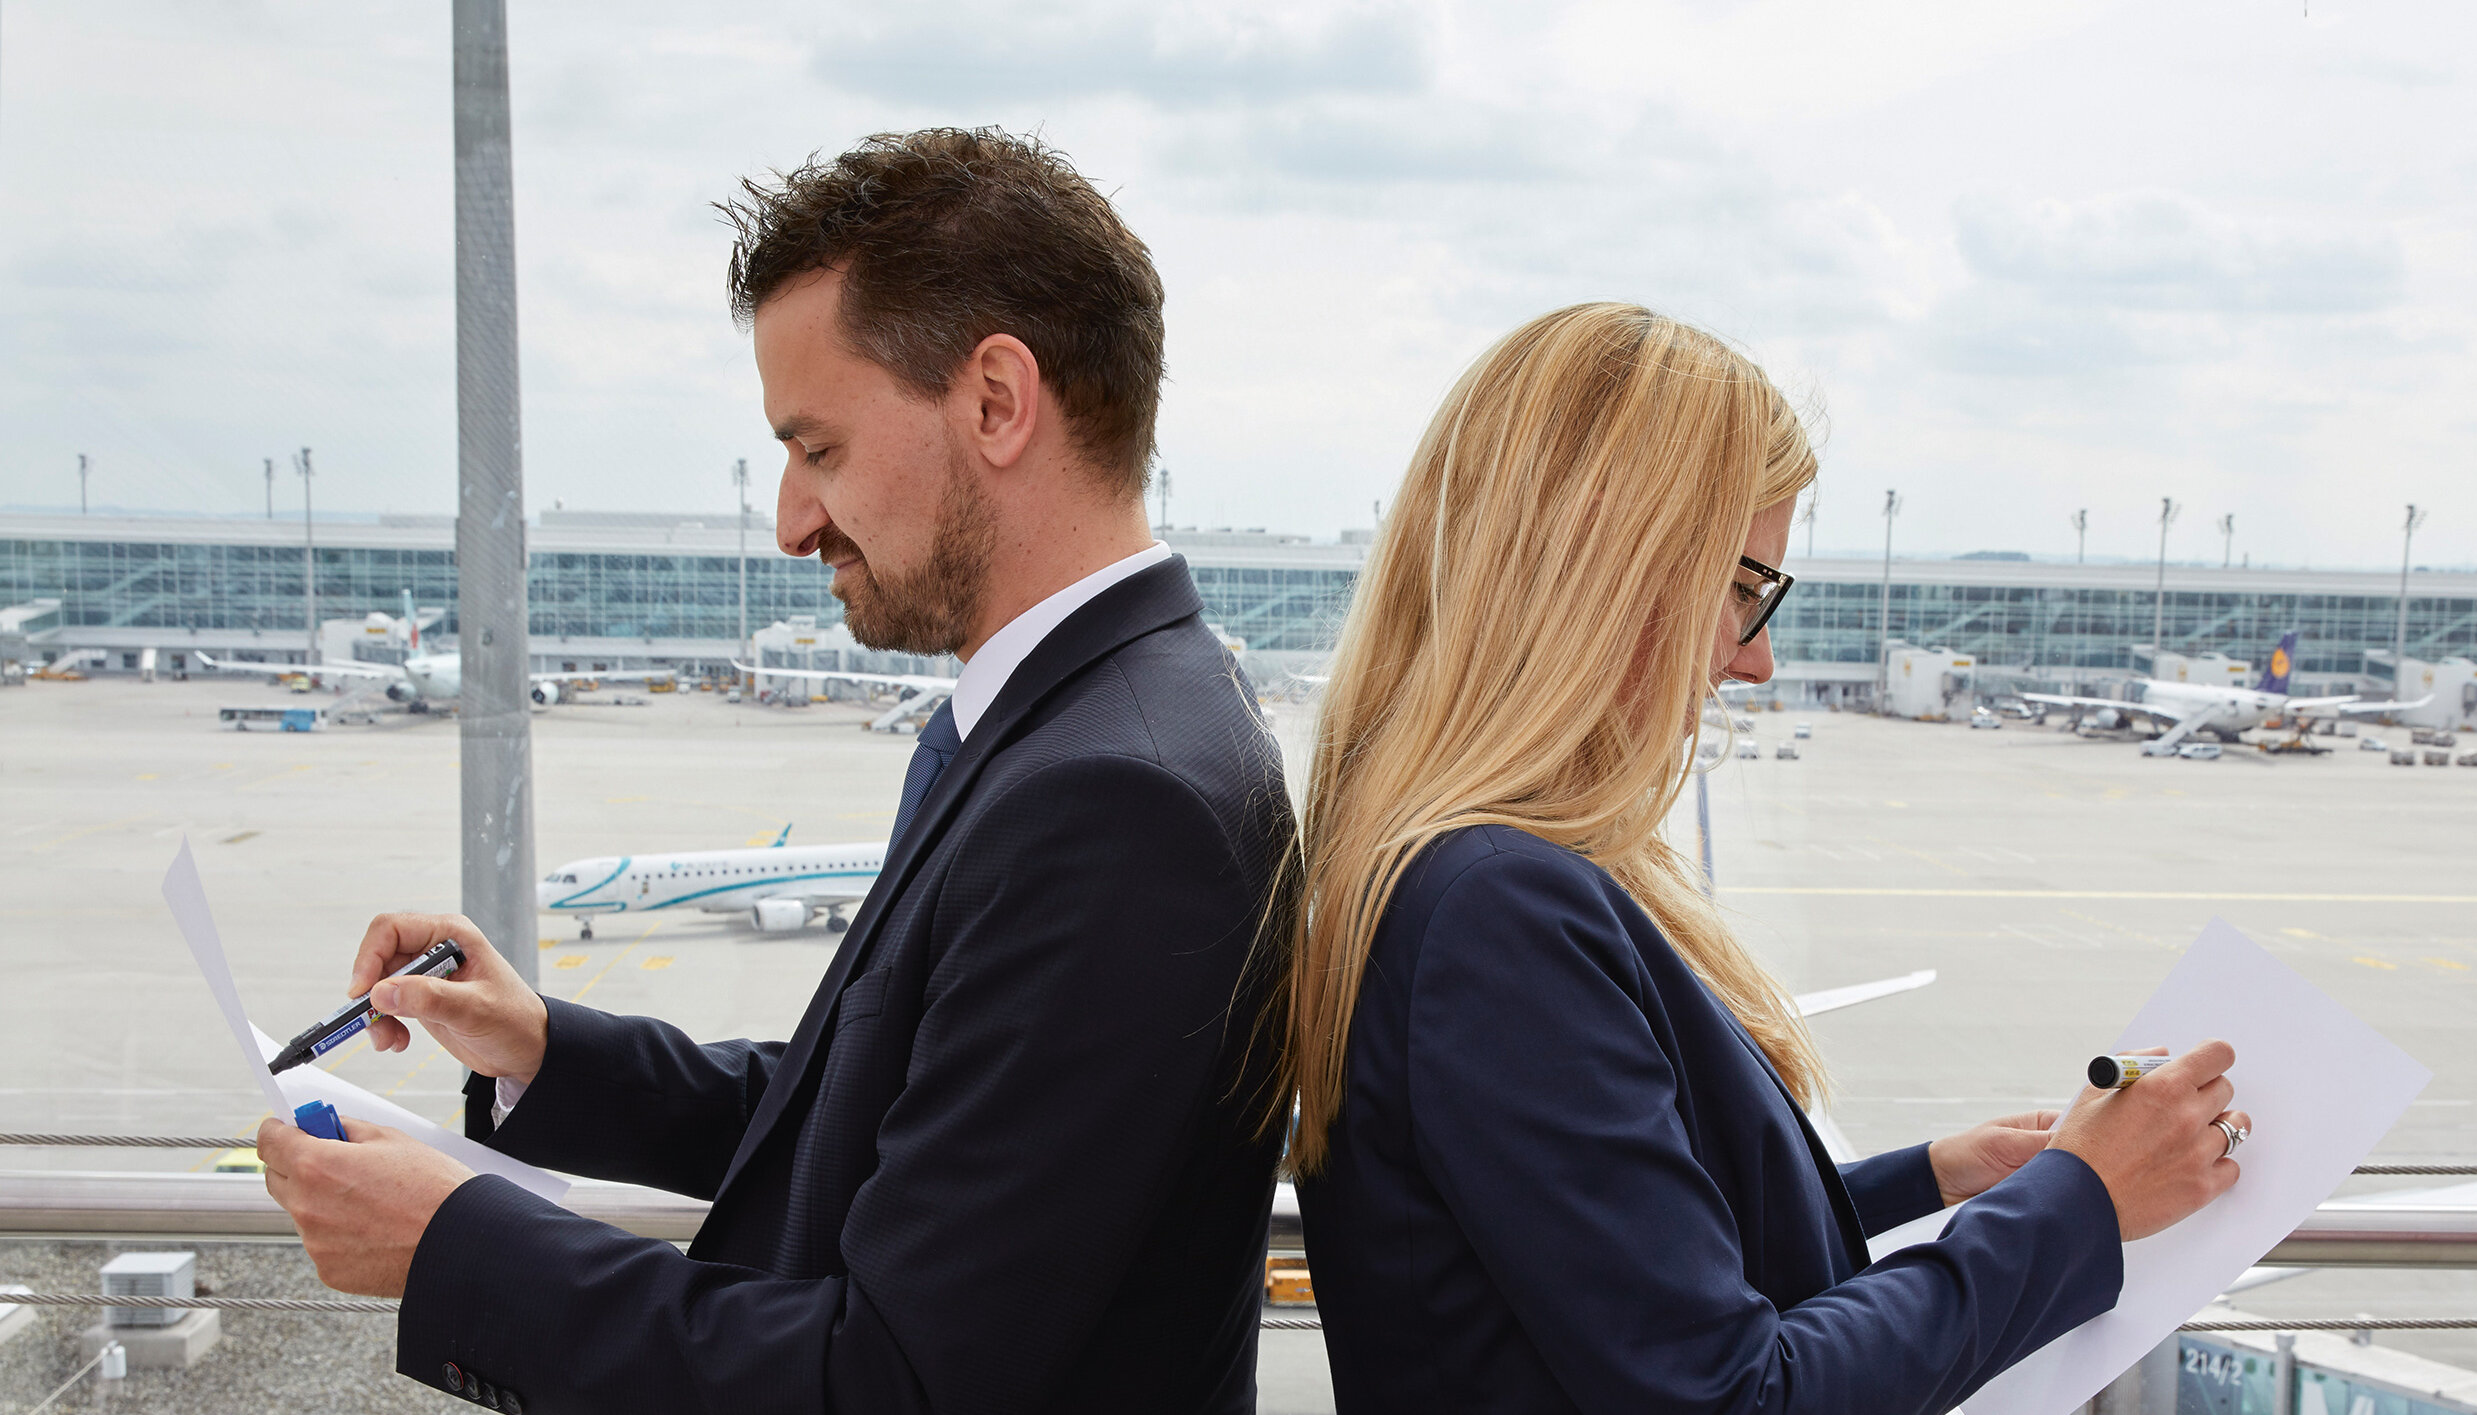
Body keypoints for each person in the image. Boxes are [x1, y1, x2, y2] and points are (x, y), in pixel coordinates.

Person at [256, 129, 1296, 1414]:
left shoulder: (1118, 798)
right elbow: (875, 1112)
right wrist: (545, 1048)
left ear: (996, 401)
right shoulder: (1092, 720)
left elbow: (890, 1380)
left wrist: (450, 1245)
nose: (794, 520)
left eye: (821, 449)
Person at [1282, 303, 2252, 1414]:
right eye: (1744, 589)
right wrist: (2084, 1200)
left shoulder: (1453, 871)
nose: (1757, 659)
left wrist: (1932, 1176)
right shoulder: (1498, 911)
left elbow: (1617, 1255)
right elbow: (1733, 1394)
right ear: (1609, 566)